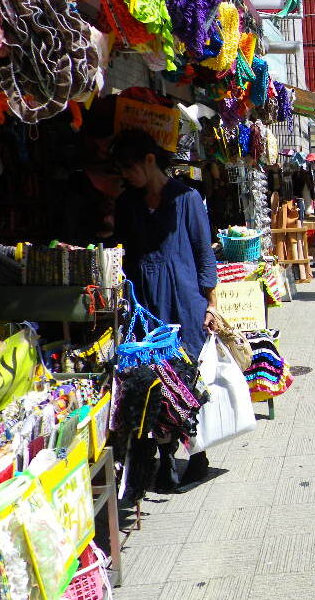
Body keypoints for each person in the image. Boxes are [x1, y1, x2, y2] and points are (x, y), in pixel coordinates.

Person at [111, 129, 219, 493]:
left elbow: (204, 252)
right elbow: (121, 252)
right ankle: (166, 458)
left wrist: (212, 304)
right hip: (145, 303)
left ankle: (198, 457)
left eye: (129, 167)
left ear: (149, 160)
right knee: (152, 378)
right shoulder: (127, 203)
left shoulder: (187, 198)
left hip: (184, 298)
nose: (126, 176)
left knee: (185, 377)